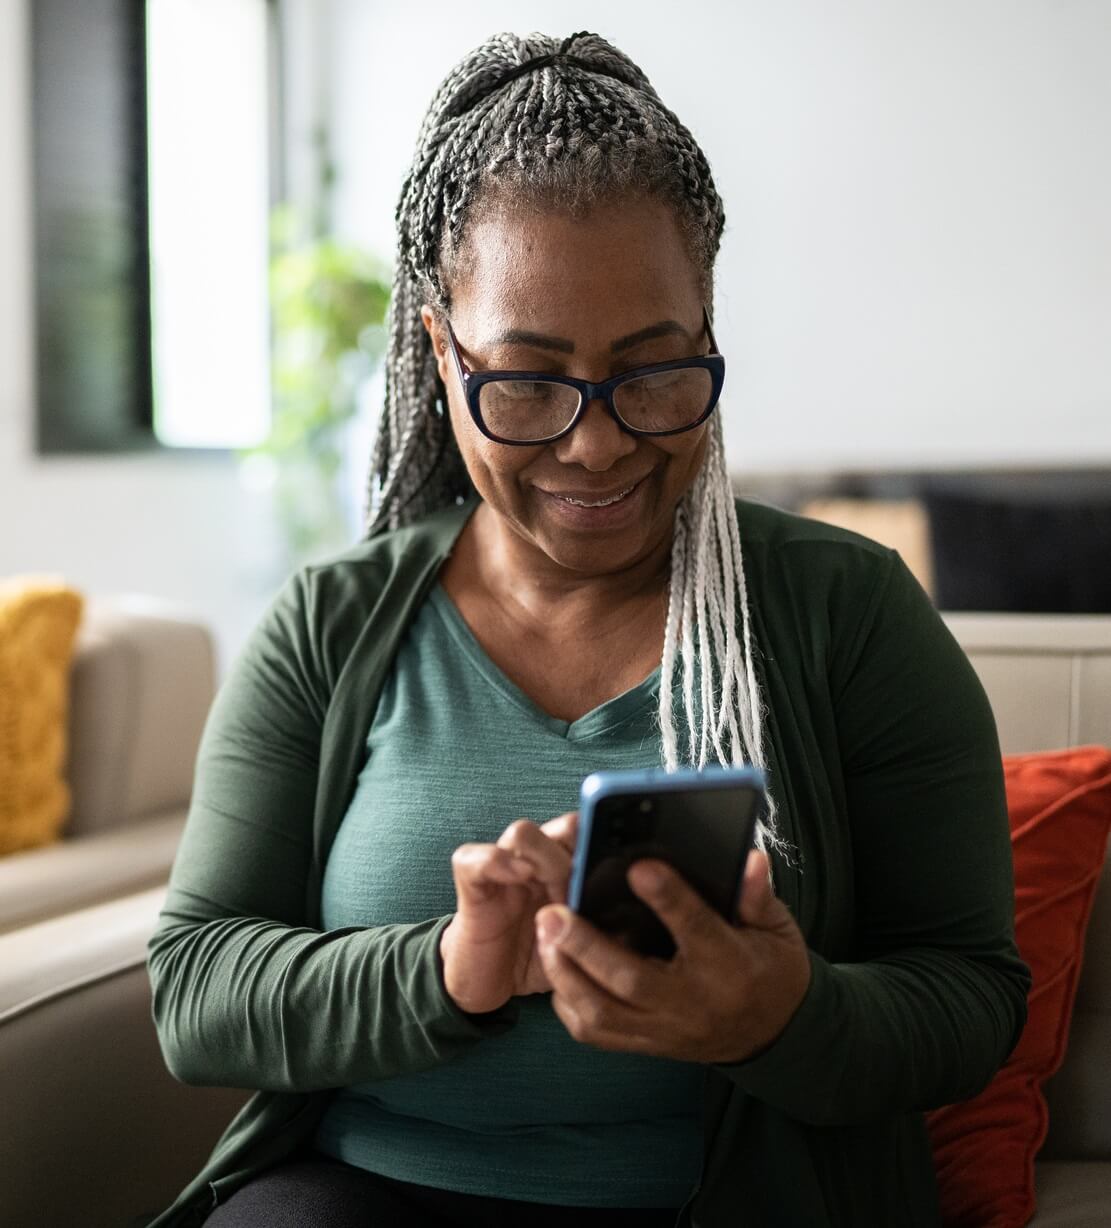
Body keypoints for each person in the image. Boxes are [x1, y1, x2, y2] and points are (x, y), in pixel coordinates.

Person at [143, 30, 1030, 1228]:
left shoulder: (849, 613)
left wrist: (782, 1012)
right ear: (437, 350)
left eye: (654, 371)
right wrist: (454, 967)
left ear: (708, 331)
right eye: (526, 381)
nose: (597, 442)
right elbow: (196, 986)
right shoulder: (329, 626)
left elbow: (968, 1000)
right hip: (362, 1192)